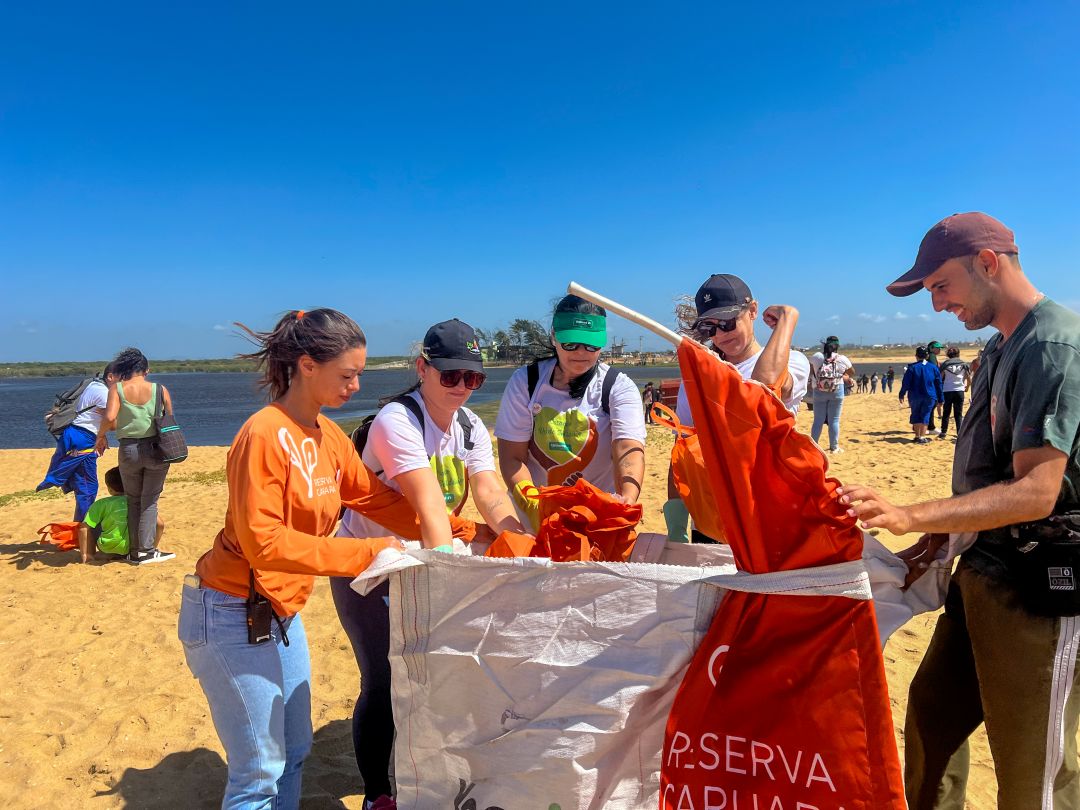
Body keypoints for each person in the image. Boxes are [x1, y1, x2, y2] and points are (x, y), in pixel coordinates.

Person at [839, 212, 1080, 809]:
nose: (937, 304)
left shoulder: (1052, 345)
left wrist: (910, 514)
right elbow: (984, 468)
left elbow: (1036, 491)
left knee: (1033, 772)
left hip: (1036, 587)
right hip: (980, 570)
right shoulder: (1000, 346)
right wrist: (939, 539)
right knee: (931, 724)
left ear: (988, 264)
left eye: (941, 285)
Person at [178, 308, 460, 810]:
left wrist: (464, 532)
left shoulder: (328, 435)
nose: (356, 386)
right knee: (259, 771)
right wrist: (370, 552)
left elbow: (377, 500)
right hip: (228, 610)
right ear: (307, 365)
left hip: (283, 614)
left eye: (359, 374)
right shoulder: (264, 434)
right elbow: (264, 544)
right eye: (347, 375)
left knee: (295, 752)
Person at [331, 319, 525, 808]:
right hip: (371, 568)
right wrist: (447, 575)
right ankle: (377, 794)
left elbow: (489, 491)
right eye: (450, 375)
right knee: (383, 679)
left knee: (435, 678)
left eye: (473, 378)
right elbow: (428, 504)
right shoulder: (397, 420)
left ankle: (428, 775)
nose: (462, 387)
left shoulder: (469, 424)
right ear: (423, 368)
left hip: (426, 559)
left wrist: (521, 542)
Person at [664, 273, 810, 542]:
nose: (720, 335)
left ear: (752, 310)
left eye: (727, 323)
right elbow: (681, 452)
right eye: (709, 328)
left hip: (768, 516)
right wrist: (676, 524)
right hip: (711, 517)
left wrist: (786, 320)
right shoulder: (696, 377)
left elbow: (764, 387)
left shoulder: (793, 361)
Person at [495, 294, 647, 530]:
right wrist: (534, 503)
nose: (581, 352)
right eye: (570, 344)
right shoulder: (526, 382)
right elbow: (511, 457)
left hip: (595, 516)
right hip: (534, 512)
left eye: (591, 344)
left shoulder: (618, 387)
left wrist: (627, 497)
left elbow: (628, 449)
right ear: (554, 336)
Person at [94, 348, 175, 564]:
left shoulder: (117, 389)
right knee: (150, 501)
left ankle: (133, 551)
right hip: (156, 449)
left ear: (125, 370)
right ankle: (146, 550)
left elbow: (110, 416)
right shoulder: (160, 390)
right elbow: (169, 419)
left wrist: (100, 436)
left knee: (133, 500)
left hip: (128, 449)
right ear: (146, 370)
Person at [37, 364, 117, 520]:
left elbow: (95, 418)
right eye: (123, 378)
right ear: (110, 376)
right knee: (88, 488)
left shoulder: (93, 384)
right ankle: (83, 527)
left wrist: (102, 435)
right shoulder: (104, 393)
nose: (126, 383)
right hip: (83, 438)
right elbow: (112, 422)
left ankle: (56, 479)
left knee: (84, 485)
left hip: (75, 433)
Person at [78, 466, 165, 563]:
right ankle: (147, 552)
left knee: (90, 524)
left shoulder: (101, 504)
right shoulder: (138, 502)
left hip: (108, 548)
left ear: (110, 489)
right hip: (134, 548)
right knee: (145, 521)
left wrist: (85, 554)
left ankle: (90, 555)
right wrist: (151, 548)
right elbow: (160, 524)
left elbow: (83, 529)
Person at [808, 336, 855, 454]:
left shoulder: (817, 356)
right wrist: (842, 375)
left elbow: (811, 370)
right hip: (836, 390)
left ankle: (813, 446)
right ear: (837, 346)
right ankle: (834, 447)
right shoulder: (842, 359)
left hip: (818, 390)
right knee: (834, 420)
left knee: (818, 420)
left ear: (825, 345)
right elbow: (852, 372)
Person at [899, 346, 943, 444]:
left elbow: (905, 383)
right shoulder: (933, 367)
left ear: (916, 356)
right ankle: (922, 437)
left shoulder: (912, 368)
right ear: (927, 356)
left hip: (914, 396)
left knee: (915, 413)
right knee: (925, 415)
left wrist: (901, 394)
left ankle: (917, 436)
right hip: (929, 395)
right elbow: (938, 384)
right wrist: (941, 398)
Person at [938, 346, 971, 440]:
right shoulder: (964, 364)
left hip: (947, 390)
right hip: (959, 390)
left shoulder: (945, 364)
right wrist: (967, 387)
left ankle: (943, 432)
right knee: (958, 413)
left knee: (946, 412)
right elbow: (969, 379)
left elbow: (940, 378)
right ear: (958, 353)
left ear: (948, 354)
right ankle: (959, 432)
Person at [925, 340, 944, 433]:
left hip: (927, 383)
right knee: (932, 404)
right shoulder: (931, 356)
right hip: (931, 384)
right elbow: (933, 370)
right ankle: (930, 426)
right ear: (932, 348)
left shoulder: (929, 356)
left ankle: (922, 425)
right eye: (938, 348)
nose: (939, 350)